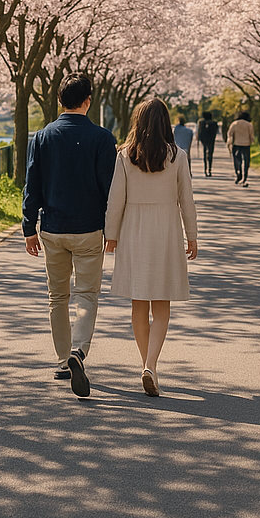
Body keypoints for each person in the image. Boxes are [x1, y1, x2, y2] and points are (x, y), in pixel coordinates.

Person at [23, 72, 117, 398]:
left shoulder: (43, 137)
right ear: (88, 101)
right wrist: (113, 228)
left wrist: (27, 228)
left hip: (52, 229)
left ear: (59, 101)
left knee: (56, 297)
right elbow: (110, 191)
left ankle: (64, 360)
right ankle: (79, 350)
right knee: (87, 295)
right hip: (90, 229)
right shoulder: (104, 138)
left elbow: (31, 186)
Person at [105, 98, 198, 397]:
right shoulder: (178, 156)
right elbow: (187, 200)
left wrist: (111, 235)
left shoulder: (124, 157)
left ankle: (148, 365)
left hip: (133, 231)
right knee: (162, 305)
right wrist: (192, 235)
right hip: (167, 232)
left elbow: (115, 200)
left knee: (138, 304)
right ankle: (151, 365)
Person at [226, 110, 256, 186]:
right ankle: (245, 176)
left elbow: (230, 134)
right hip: (246, 144)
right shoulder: (249, 124)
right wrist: (252, 141)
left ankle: (238, 172)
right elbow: (251, 136)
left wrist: (230, 143)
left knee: (237, 160)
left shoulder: (234, 124)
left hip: (237, 144)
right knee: (246, 161)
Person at [197, 111, 221, 177]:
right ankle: (209, 169)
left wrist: (198, 138)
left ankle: (205, 169)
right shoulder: (214, 123)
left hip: (204, 139)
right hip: (211, 139)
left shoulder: (201, 122)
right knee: (210, 154)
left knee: (205, 153)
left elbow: (199, 131)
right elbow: (216, 131)